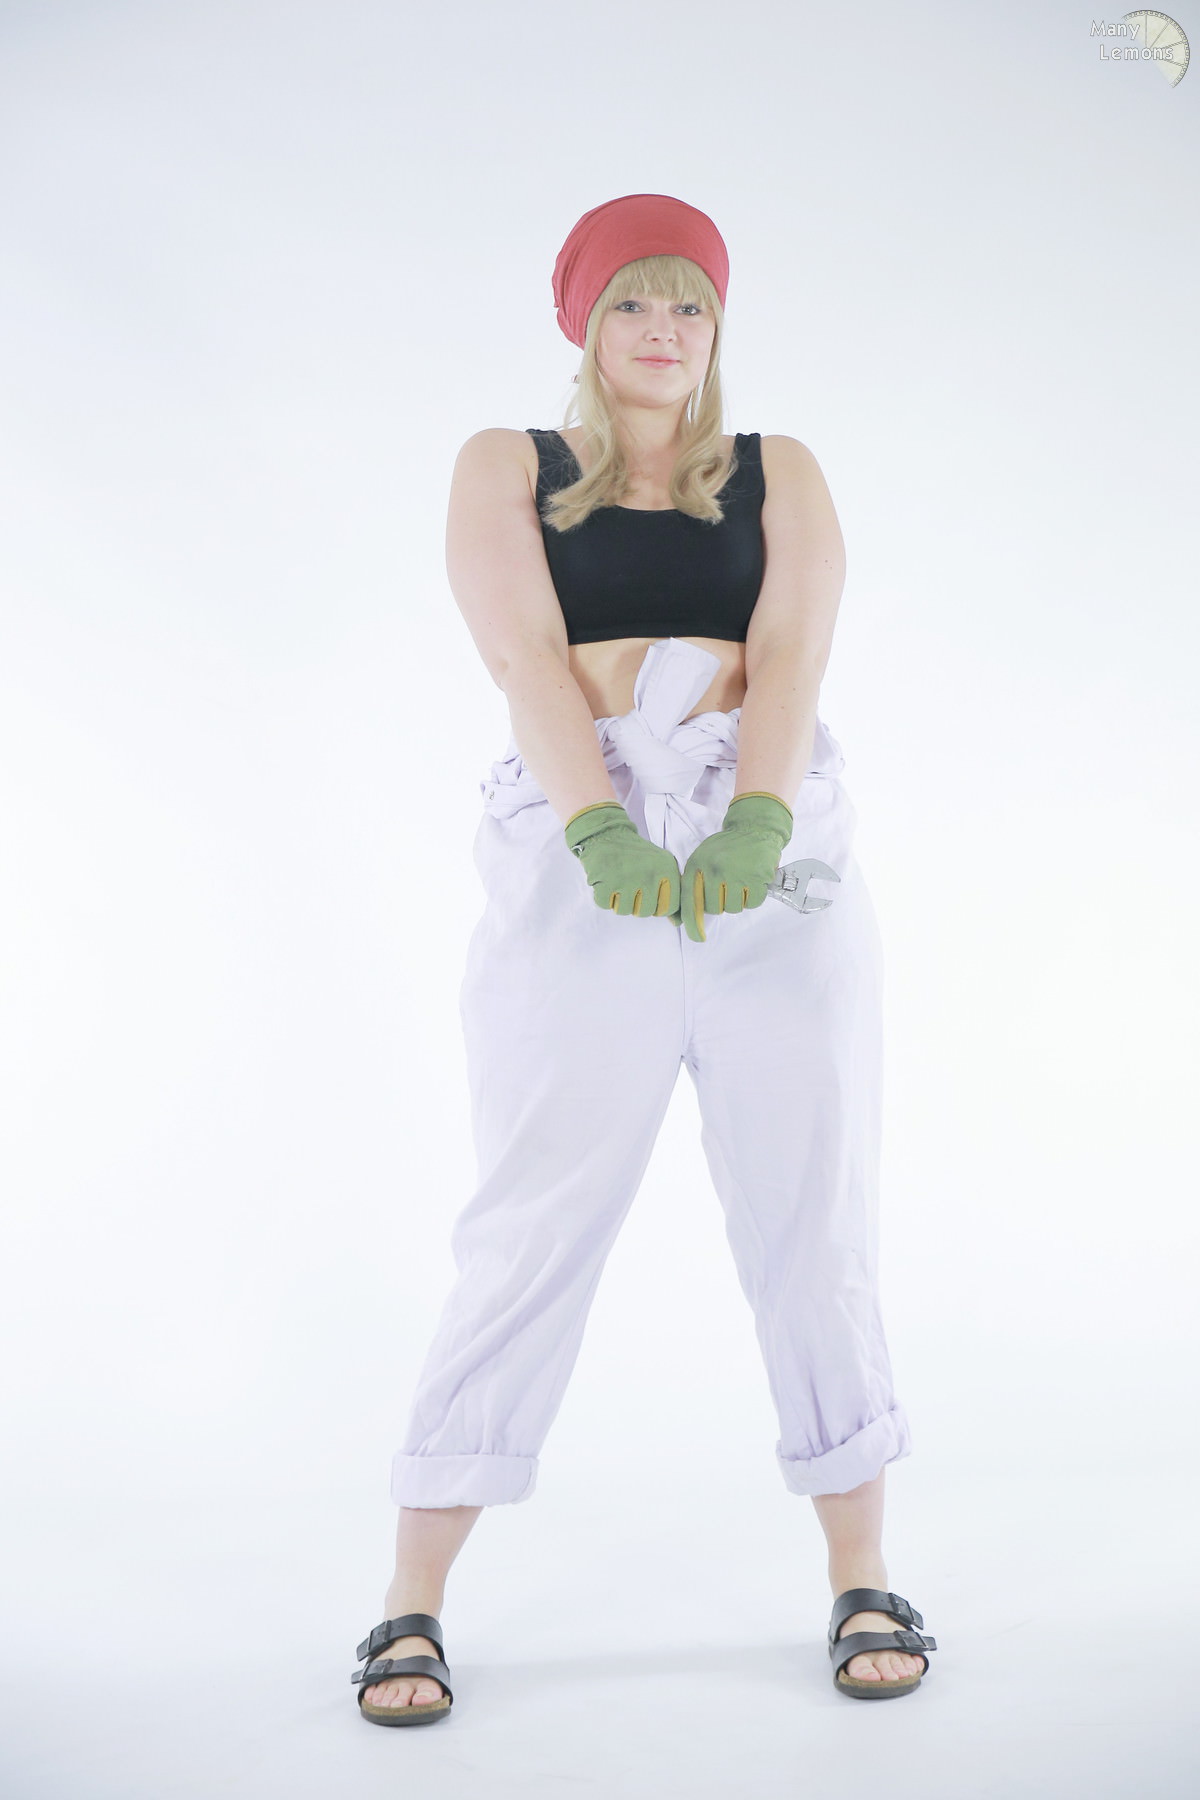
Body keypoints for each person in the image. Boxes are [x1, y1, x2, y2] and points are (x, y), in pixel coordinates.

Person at [349, 193, 938, 1726]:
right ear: (584, 322)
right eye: (631, 299)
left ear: (717, 325)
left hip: (769, 848)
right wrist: (600, 827)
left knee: (813, 1213)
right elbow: (520, 655)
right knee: (530, 1222)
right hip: (580, 836)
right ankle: (411, 1597)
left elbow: (794, 649)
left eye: (687, 302)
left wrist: (759, 818)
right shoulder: (510, 467)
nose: (662, 328)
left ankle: (862, 1572)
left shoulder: (781, 471)